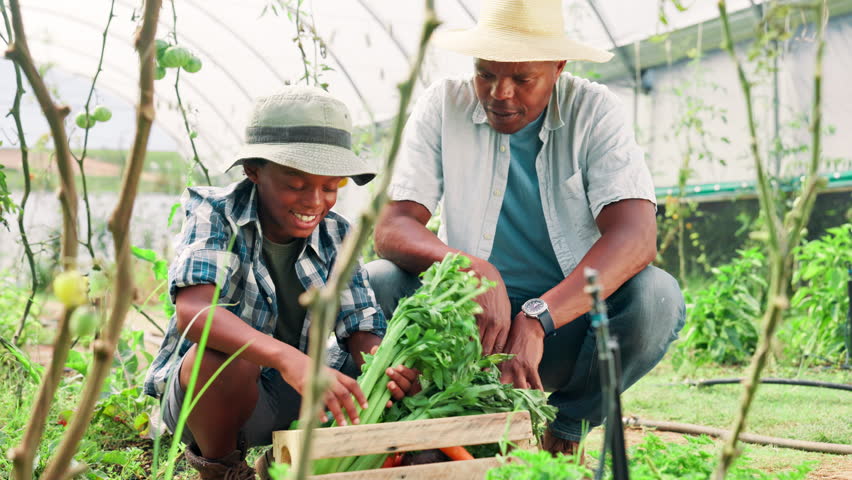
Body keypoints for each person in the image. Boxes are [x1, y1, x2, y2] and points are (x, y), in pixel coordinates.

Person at [368, 0, 686, 456]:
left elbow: (635, 237)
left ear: (558, 67)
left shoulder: (594, 111)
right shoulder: (444, 104)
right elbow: (392, 227)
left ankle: (568, 425)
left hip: (565, 330)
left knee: (657, 298)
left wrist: (538, 317)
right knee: (379, 280)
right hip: (468, 324)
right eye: (486, 73)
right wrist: (470, 268)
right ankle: (434, 413)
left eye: (522, 79)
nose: (499, 93)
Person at [143, 86, 418, 480]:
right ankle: (223, 469)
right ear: (253, 170)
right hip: (210, 403)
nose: (314, 201)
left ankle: (286, 459)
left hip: (296, 394)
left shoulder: (337, 235)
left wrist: (382, 364)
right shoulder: (217, 214)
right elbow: (195, 314)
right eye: (296, 183)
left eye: (330, 186)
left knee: (364, 374)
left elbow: (359, 325)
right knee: (223, 359)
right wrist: (289, 359)